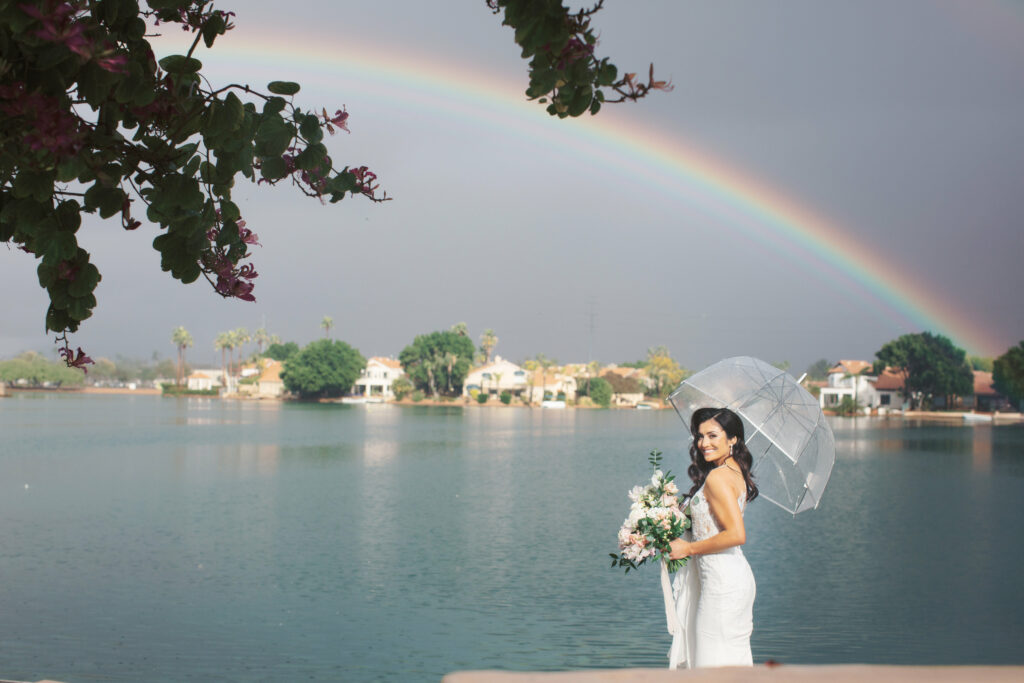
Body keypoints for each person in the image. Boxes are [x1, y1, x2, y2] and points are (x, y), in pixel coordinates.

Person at [667, 407, 758, 668]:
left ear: (733, 439)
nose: (703, 443)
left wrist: (688, 549)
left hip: (722, 585)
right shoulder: (733, 471)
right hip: (728, 577)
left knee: (711, 663)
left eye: (712, 435)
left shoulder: (718, 477)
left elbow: (736, 534)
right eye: (699, 436)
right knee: (729, 661)